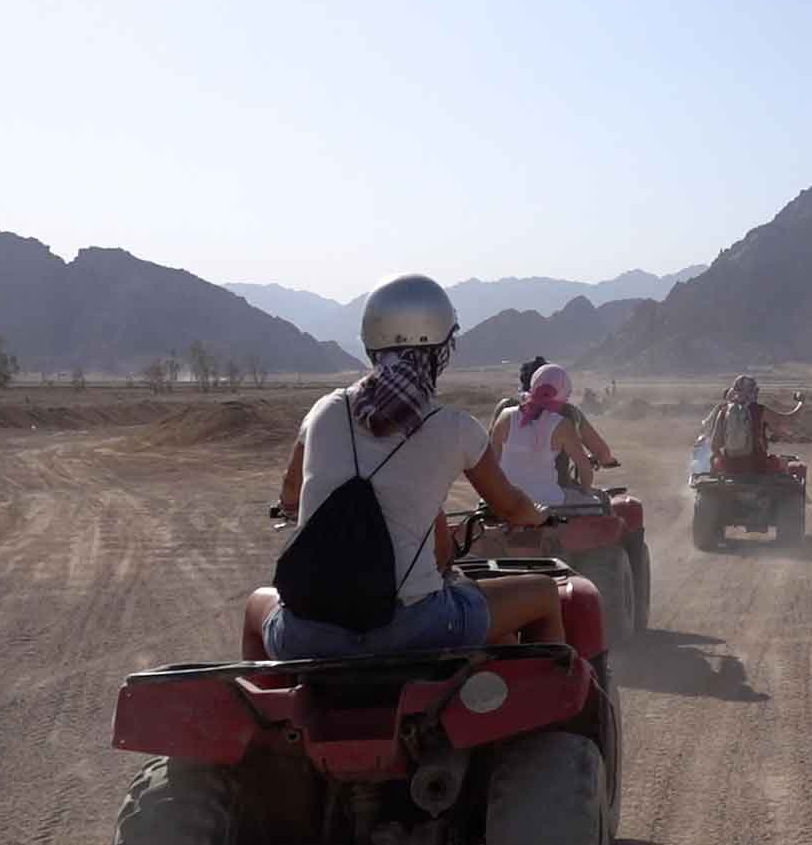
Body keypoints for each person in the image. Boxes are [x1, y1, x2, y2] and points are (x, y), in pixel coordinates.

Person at [246, 274, 563, 660]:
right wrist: (538, 516)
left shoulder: (325, 410)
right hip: (416, 630)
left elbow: (290, 493)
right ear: (439, 351)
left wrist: (299, 506)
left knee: (255, 607)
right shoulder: (456, 428)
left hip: (306, 636)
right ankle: (545, 710)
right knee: (545, 594)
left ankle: (270, 709)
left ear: (370, 346)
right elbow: (510, 506)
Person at [491, 356, 618, 485]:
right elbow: (602, 452)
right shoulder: (568, 413)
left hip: (505, 491)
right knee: (602, 500)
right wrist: (605, 460)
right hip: (556, 489)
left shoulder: (506, 409)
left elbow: (490, 453)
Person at [489, 363, 599, 505]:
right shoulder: (563, 425)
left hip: (506, 500)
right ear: (564, 391)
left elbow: (492, 462)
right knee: (597, 504)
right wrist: (586, 492)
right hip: (548, 501)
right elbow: (585, 468)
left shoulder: (506, 416)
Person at [710, 374, 804, 475]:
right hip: (758, 466)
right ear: (752, 392)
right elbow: (789, 418)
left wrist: (726, 464)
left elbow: (714, 445)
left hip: (731, 468)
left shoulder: (723, 412)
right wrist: (801, 403)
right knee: (789, 466)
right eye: (756, 390)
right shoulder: (759, 410)